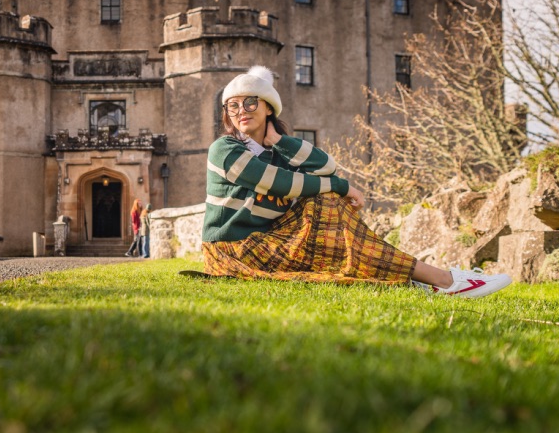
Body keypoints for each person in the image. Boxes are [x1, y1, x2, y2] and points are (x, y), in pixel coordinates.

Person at [202, 66, 511, 298]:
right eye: (234, 105)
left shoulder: (279, 151)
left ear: (269, 106)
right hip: (232, 251)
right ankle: (441, 279)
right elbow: (281, 184)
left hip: (268, 243)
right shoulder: (225, 150)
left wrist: (281, 141)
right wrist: (342, 187)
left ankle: (423, 278)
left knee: (326, 203)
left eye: (251, 102)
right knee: (330, 197)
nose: (241, 111)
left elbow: (327, 166)